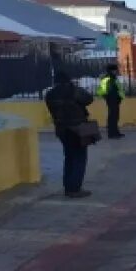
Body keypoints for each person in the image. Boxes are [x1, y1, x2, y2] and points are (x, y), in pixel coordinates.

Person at [45, 71, 95, 199]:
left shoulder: (50, 94)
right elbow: (89, 99)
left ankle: (68, 187)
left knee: (69, 157)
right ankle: (75, 188)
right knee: (80, 158)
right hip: (78, 128)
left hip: (61, 129)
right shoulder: (74, 91)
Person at [98, 63, 125, 139]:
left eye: (116, 70)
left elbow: (118, 89)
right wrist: (108, 98)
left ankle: (116, 132)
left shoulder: (114, 78)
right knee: (112, 117)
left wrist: (120, 97)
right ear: (110, 70)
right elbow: (101, 91)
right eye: (114, 70)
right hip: (111, 100)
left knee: (116, 116)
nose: (116, 71)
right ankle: (111, 133)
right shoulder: (106, 79)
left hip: (116, 100)